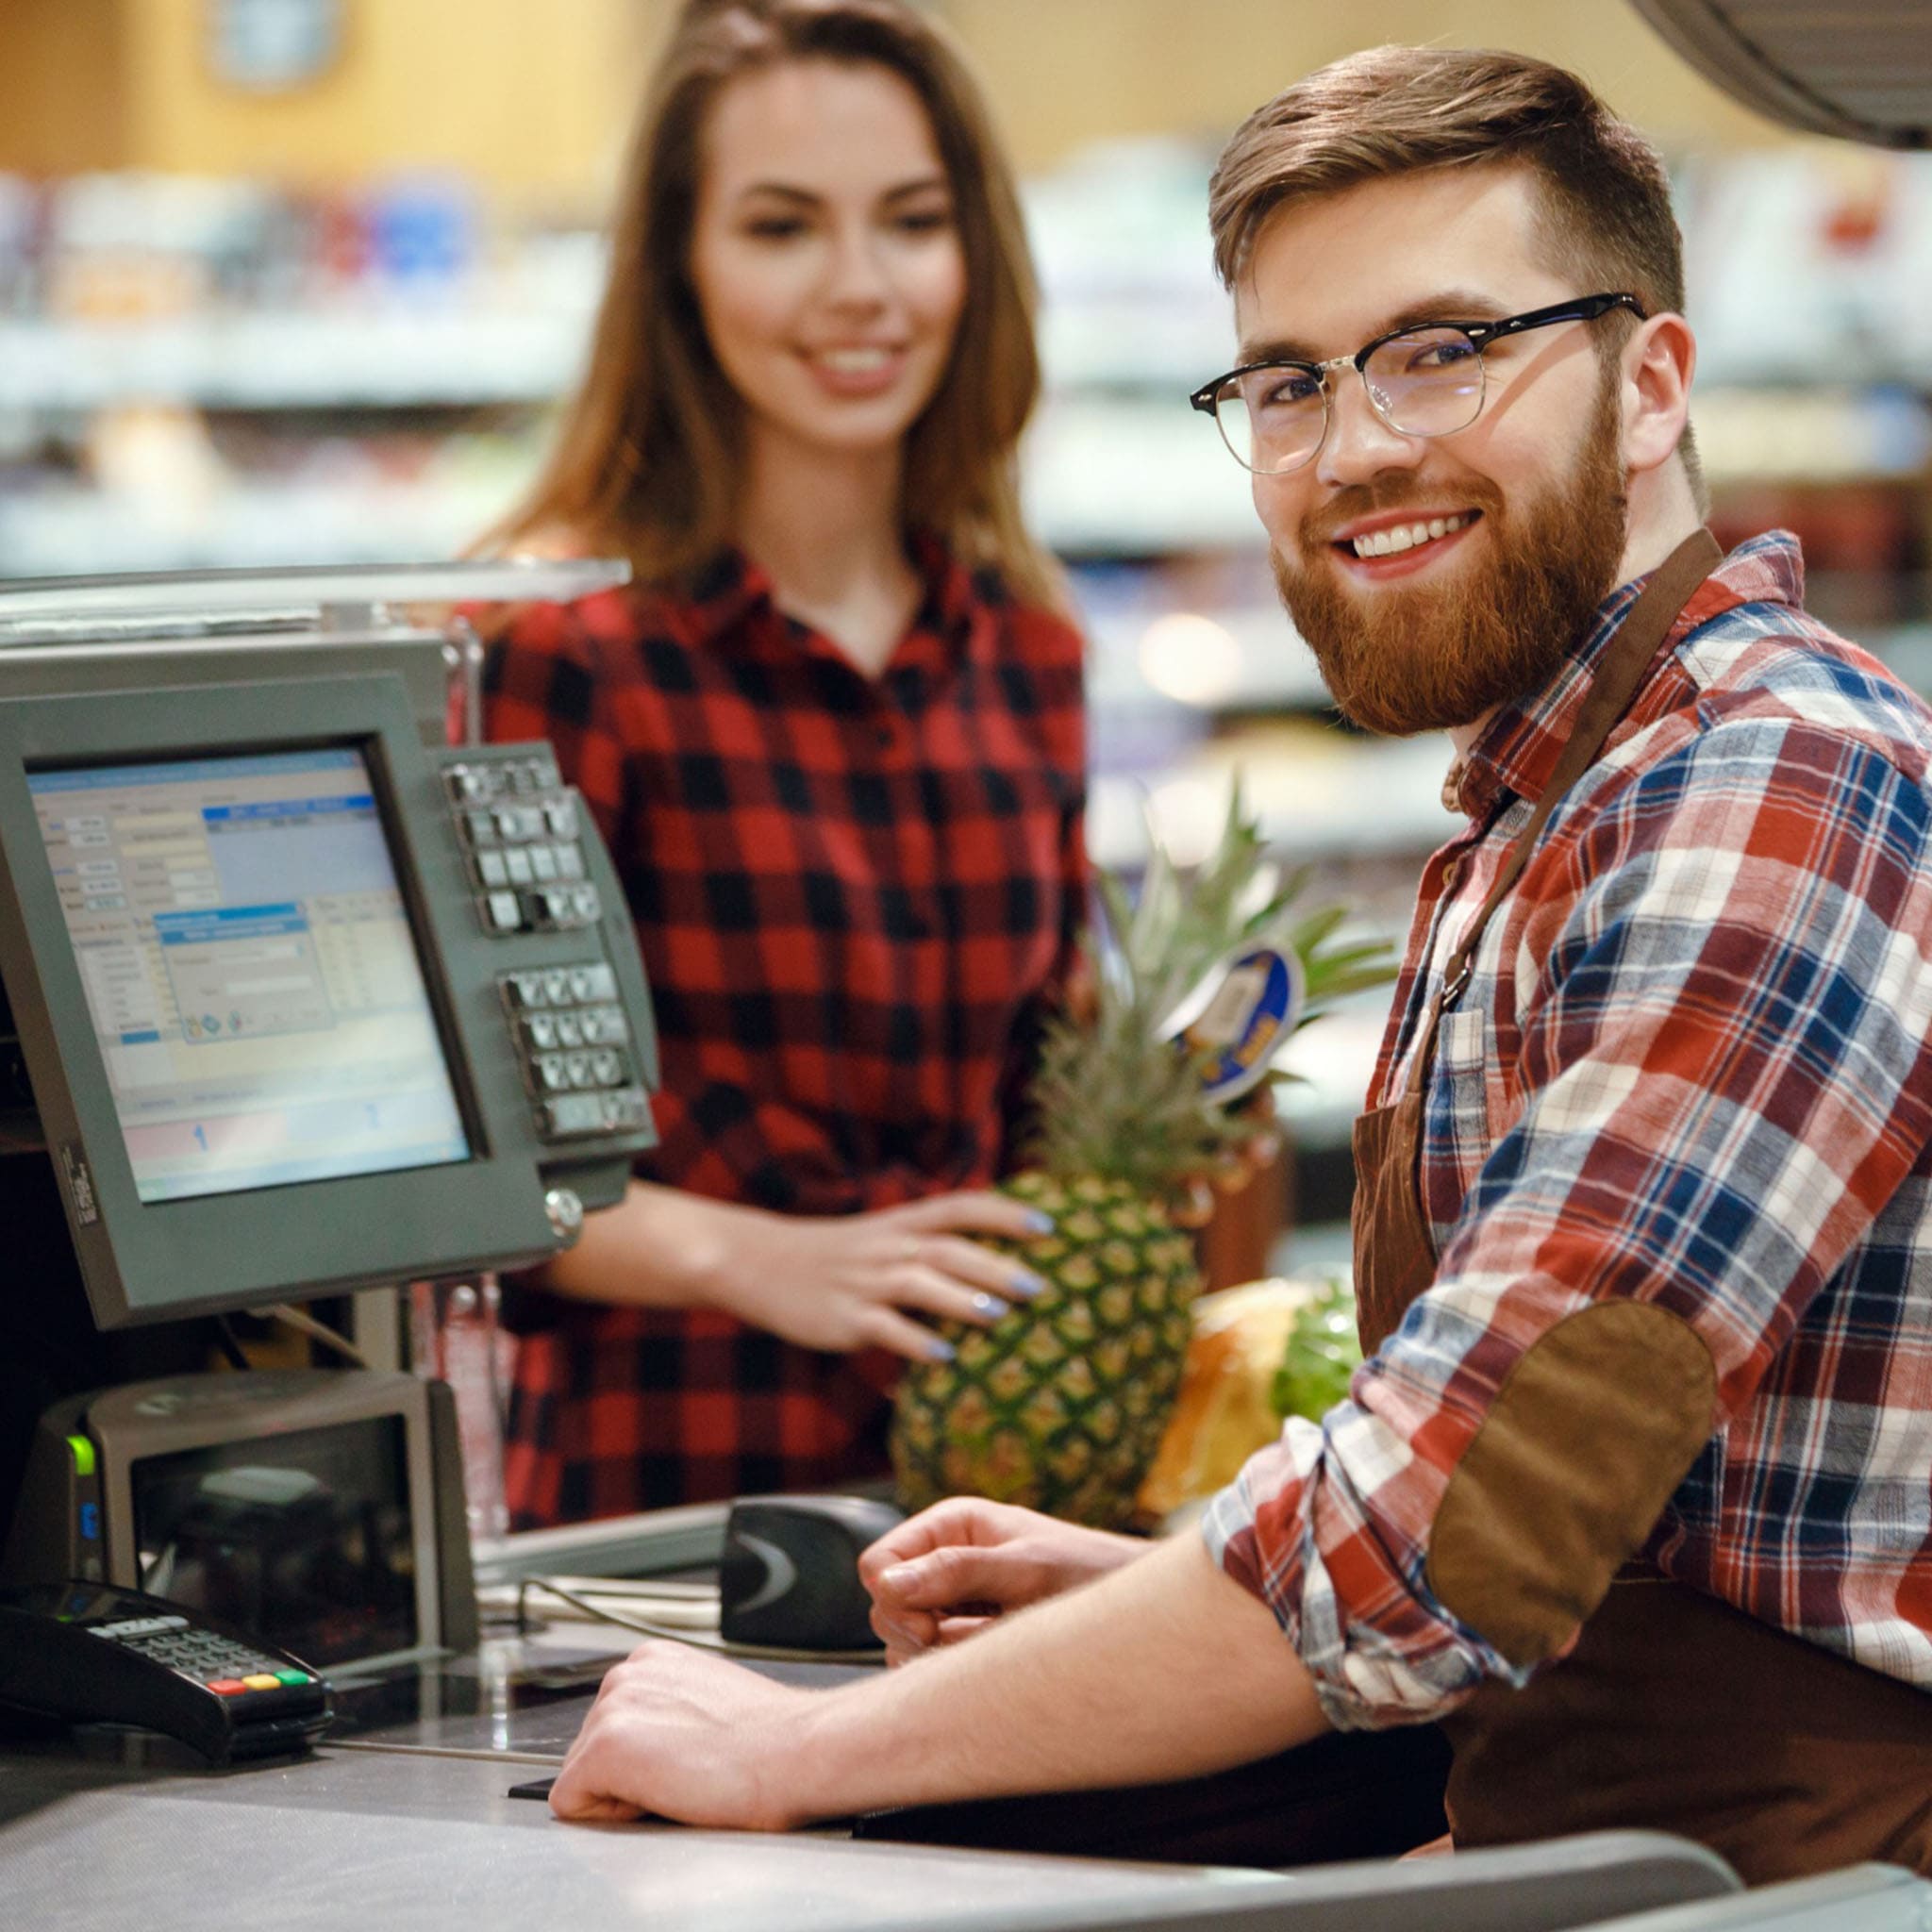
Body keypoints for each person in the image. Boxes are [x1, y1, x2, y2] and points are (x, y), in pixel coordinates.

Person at [543, 47, 1932, 1882]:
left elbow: (1459, 1515)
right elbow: (1594, 1545)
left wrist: (804, 1747)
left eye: (1442, 348)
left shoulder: (1769, 789)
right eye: (1289, 381)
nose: (1354, 447)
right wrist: (1153, 1602)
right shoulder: (1553, 796)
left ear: (1650, 381)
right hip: (1609, 1829)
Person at [479, 0, 1086, 1526]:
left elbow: (1038, 1107)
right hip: (661, 1526)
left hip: (980, 1498)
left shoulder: (1028, 649)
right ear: (678, 271)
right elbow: (485, 1168)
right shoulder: (564, 654)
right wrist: (764, 1259)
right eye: (781, 227)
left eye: (912, 222)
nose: (862, 289)